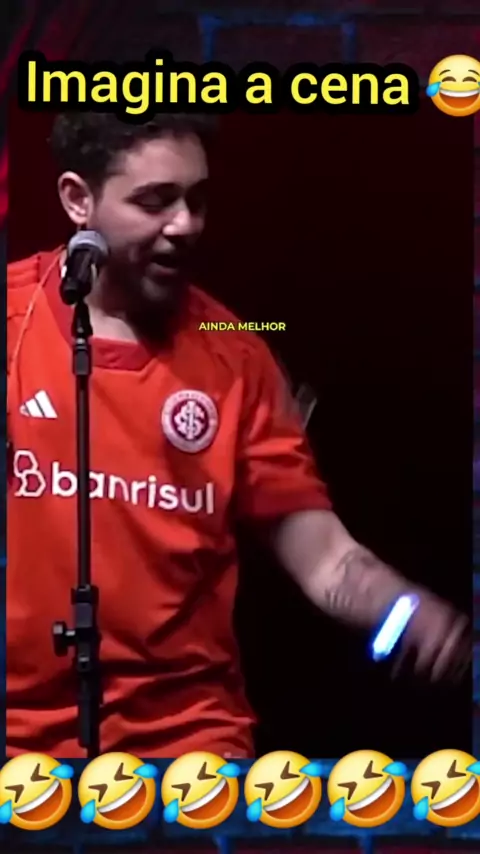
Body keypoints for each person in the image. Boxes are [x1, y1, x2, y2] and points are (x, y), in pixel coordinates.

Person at [7, 113, 470, 758]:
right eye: (155, 201)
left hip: (188, 740)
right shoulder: (12, 322)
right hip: (17, 739)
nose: (185, 224)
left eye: (196, 200)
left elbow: (325, 558)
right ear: (77, 199)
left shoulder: (237, 355)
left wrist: (407, 609)